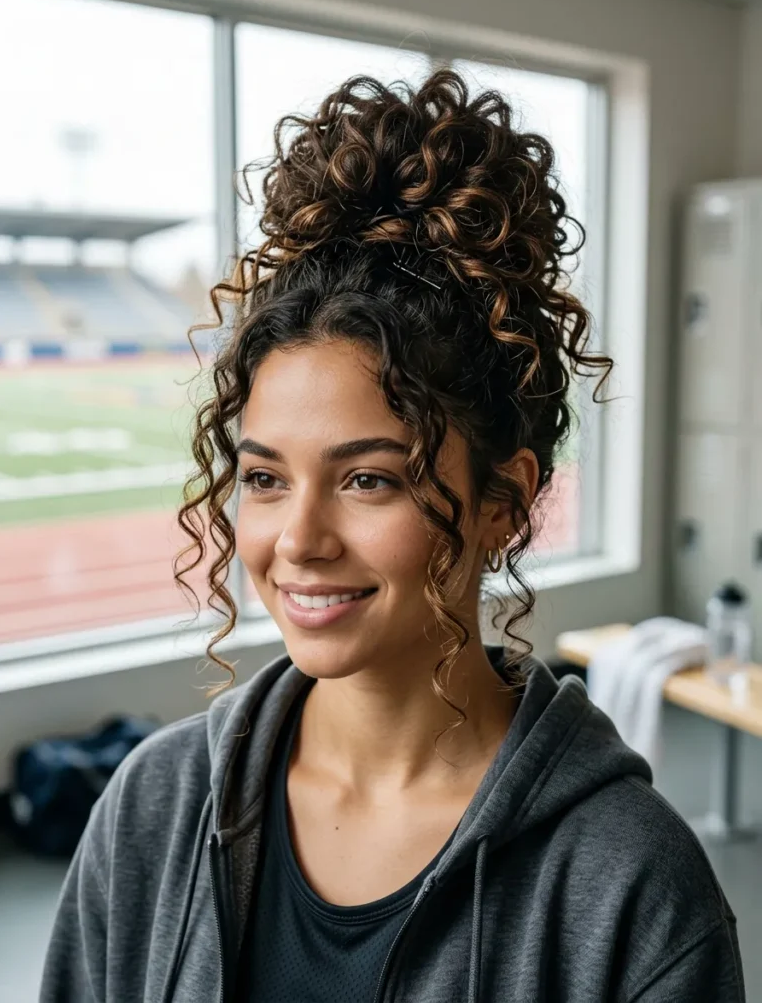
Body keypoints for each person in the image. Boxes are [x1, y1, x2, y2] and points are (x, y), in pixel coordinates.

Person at [40, 69, 745, 1003]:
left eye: (368, 479)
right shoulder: (153, 809)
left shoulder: (629, 884)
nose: (298, 539)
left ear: (505, 500)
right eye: (263, 478)